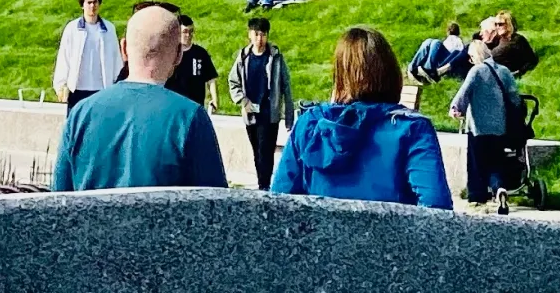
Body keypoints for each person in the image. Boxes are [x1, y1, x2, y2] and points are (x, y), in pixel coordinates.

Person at [271, 26, 452, 208]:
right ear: (390, 72)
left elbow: (279, 202)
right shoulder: (412, 128)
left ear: (340, 75)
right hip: (388, 234)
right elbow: (437, 206)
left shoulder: (309, 123)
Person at [53, 5, 228, 191]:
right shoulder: (191, 118)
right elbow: (215, 206)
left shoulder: (80, 114)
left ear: (124, 49)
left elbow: (58, 201)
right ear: (178, 55)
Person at [449, 39, 520, 209]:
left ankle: (477, 198)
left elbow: (464, 92)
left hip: (478, 128)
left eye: (471, 57)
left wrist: (455, 109)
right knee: (495, 163)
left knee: (477, 165)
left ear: (475, 56)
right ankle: (499, 188)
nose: (470, 61)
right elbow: (515, 99)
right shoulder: (504, 72)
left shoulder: (476, 71)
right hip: (499, 128)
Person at [229, 17, 294, 189]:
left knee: (266, 152)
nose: (260, 39)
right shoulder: (243, 56)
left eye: (263, 34)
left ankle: (264, 186)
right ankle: (262, 184)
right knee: (257, 151)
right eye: (256, 34)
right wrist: (243, 101)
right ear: (249, 34)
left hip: (268, 114)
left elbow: (286, 87)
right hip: (250, 113)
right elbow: (233, 81)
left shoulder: (275, 57)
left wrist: (288, 116)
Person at [52, 0, 121, 112]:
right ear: (82, 6)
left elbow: (116, 57)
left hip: (101, 89)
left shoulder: (109, 29)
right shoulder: (72, 29)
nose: (92, 6)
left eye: (95, 2)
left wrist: (117, 83)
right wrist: (61, 85)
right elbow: (64, 57)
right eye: (89, 3)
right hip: (77, 89)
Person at [166, 14, 220, 112]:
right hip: (173, 107)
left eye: (191, 32)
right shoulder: (169, 54)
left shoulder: (200, 54)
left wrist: (215, 99)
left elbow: (211, 79)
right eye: (185, 32)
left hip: (195, 107)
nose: (188, 35)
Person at [406, 20, 470, 86]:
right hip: (442, 60)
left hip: (446, 62)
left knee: (435, 42)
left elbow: (458, 55)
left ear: (448, 32)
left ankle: (427, 70)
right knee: (429, 41)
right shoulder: (455, 40)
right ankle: (412, 69)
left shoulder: (457, 41)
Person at [486, 10, 539, 77]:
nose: (497, 27)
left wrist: (519, 72)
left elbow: (531, 60)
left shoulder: (517, 40)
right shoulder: (500, 38)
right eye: (495, 24)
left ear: (509, 24)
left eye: (500, 24)